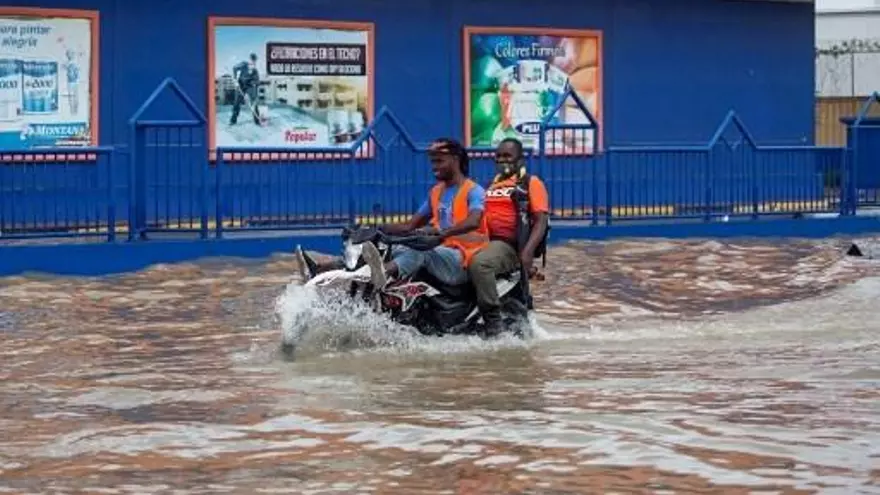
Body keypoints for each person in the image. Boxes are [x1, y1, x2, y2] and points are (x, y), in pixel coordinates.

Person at [296, 138, 489, 288]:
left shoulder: (474, 190)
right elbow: (409, 226)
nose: (434, 167)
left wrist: (442, 234)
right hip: (441, 251)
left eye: (439, 161)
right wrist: (374, 229)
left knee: (419, 252)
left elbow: (474, 220)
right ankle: (322, 270)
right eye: (432, 162)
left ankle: (379, 273)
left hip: (463, 259)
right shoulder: (436, 192)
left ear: (456, 160)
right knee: (388, 247)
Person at [468, 137, 549, 336]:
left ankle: (493, 322)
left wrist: (527, 253)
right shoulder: (491, 185)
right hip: (485, 241)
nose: (502, 160)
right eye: (498, 157)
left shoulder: (531, 183)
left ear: (520, 159)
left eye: (508, 156)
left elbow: (541, 221)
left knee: (480, 264)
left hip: (508, 245)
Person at [229, 53, 261, 126]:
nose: (252, 63)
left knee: (254, 102)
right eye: (251, 61)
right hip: (241, 84)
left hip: (250, 86)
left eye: (254, 61)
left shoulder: (255, 70)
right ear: (249, 60)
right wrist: (235, 80)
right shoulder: (243, 64)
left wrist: (254, 85)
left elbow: (257, 81)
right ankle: (233, 120)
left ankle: (257, 120)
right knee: (237, 102)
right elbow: (234, 68)